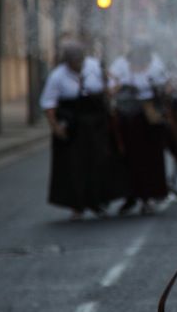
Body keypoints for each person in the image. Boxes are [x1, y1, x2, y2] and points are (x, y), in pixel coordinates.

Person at [40, 41, 120, 220]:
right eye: (74, 61)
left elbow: (114, 85)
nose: (78, 64)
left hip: (97, 124)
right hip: (74, 127)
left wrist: (109, 89)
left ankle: (99, 202)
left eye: (80, 60)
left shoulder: (94, 67)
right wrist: (55, 126)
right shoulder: (57, 76)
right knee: (74, 167)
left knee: (100, 162)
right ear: (67, 61)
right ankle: (77, 206)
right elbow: (48, 104)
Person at [109, 39, 170, 215]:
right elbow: (111, 89)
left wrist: (161, 88)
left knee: (151, 158)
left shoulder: (155, 65)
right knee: (129, 158)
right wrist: (122, 86)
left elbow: (166, 86)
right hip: (127, 118)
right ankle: (130, 196)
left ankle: (149, 196)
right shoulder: (121, 65)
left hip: (149, 118)